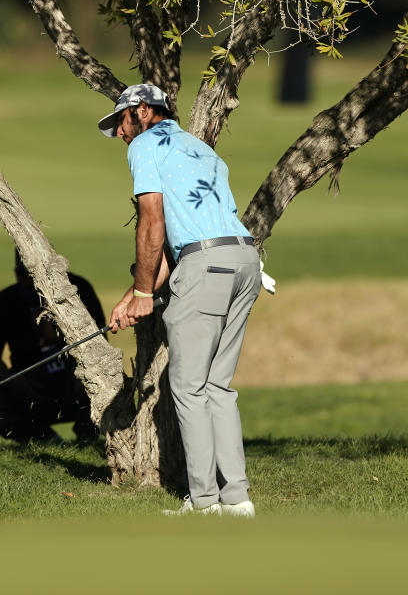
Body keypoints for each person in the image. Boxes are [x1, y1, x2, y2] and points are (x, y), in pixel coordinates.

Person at [98, 84, 261, 517]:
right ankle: (237, 500)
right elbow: (177, 245)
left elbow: (152, 223)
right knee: (218, 388)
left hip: (205, 265)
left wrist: (142, 293)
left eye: (120, 122)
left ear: (143, 112)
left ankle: (205, 502)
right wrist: (135, 296)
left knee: (187, 388)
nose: (119, 134)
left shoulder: (146, 145)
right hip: (243, 260)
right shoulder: (197, 148)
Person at [0, 252, 104, 443]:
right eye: (23, 275)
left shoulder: (78, 289)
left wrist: (57, 336)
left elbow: (100, 346)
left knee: (98, 383)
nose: (29, 283)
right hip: (29, 388)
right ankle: (45, 440)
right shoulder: (4, 302)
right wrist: (13, 382)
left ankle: (87, 438)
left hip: (74, 381)